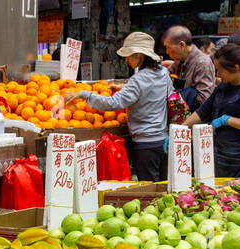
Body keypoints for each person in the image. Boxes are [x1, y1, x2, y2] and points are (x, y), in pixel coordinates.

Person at [65, 32, 169, 181]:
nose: (126, 59)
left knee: (150, 191)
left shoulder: (138, 80)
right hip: (164, 141)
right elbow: (154, 94)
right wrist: (123, 88)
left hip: (146, 145)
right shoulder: (163, 73)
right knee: (164, 188)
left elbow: (112, 103)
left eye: (129, 55)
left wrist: (85, 94)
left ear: (139, 55)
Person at [183, 43, 240, 180]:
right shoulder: (224, 85)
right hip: (217, 150)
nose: (218, 74)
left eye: (220, 70)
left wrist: (226, 120)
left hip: (238, 155)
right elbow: (203, 111)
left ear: (236, 68)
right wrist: (180, 129)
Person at [162, 25, 216, 110]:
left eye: (168, 47)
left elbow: (204, 100)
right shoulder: (179, 60)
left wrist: (178, 96)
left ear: (182, 45)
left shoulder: (202, 62)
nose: (167, 52)